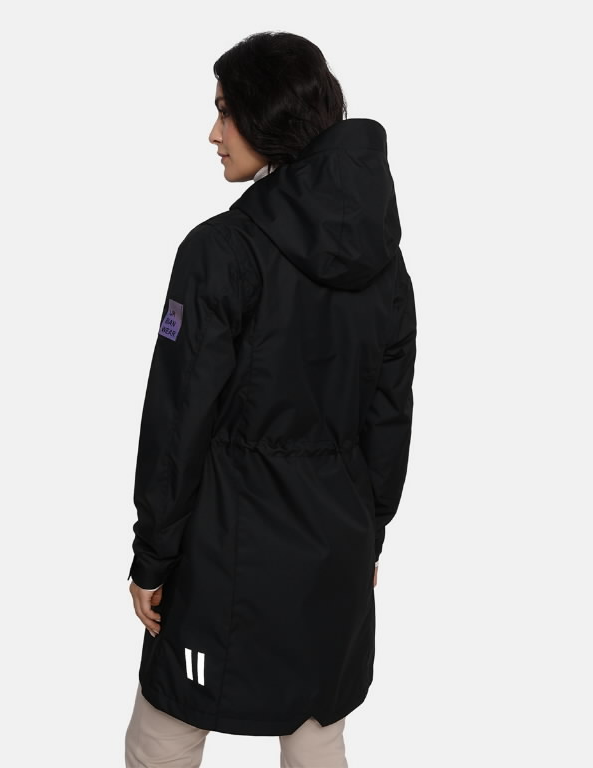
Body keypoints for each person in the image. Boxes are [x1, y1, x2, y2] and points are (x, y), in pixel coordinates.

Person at [125, 30, 416, 768]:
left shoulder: (218, 251)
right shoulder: (386, 265)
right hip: (336, 551)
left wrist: (152, 556)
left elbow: (177, 417)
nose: (213, 133)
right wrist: (370, 534)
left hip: (224, 545)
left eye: (226, 111)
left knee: (165, 732)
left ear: (267, 115)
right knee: (317, 733)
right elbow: (389, 416)